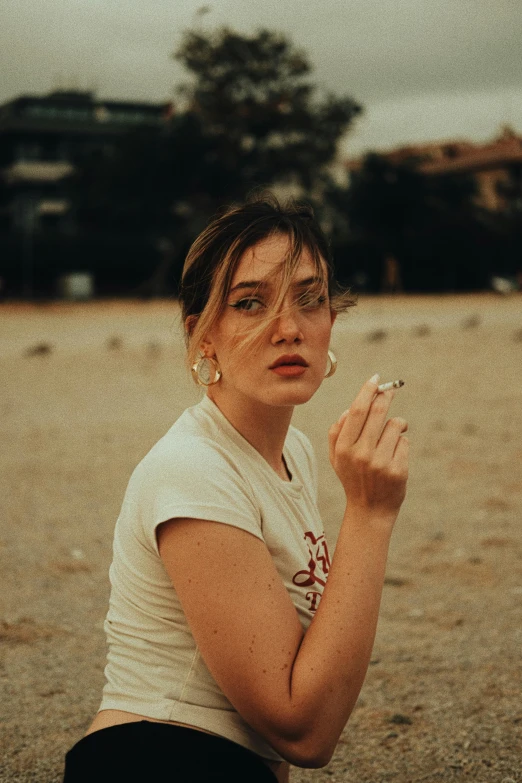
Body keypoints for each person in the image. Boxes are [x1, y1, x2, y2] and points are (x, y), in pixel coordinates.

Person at [63, 194, 409, 782]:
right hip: (153, 759)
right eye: (250, 303)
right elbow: (303, 729)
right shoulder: (193, 469)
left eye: (310, 298)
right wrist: (370, 515)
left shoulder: (292, 450)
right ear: (202, 336)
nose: (289, 328)